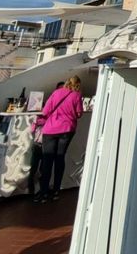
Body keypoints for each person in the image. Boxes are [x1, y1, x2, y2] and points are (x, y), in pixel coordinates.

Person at [35, 75, 83, 203]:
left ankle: (43, 191)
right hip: (67, 129)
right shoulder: (77, 96)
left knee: (47, 159)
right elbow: (79, 113)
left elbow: (45, 111)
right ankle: (56, 189)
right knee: (60, 158)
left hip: (51, 129)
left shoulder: (57, 93)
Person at [28, 81, 65, 196]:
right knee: (38, 165)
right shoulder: (52, 102)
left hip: (46, 139)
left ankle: (40, 188)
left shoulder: (53, 102)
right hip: (43, 139)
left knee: (43, 165)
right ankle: (34, 188)